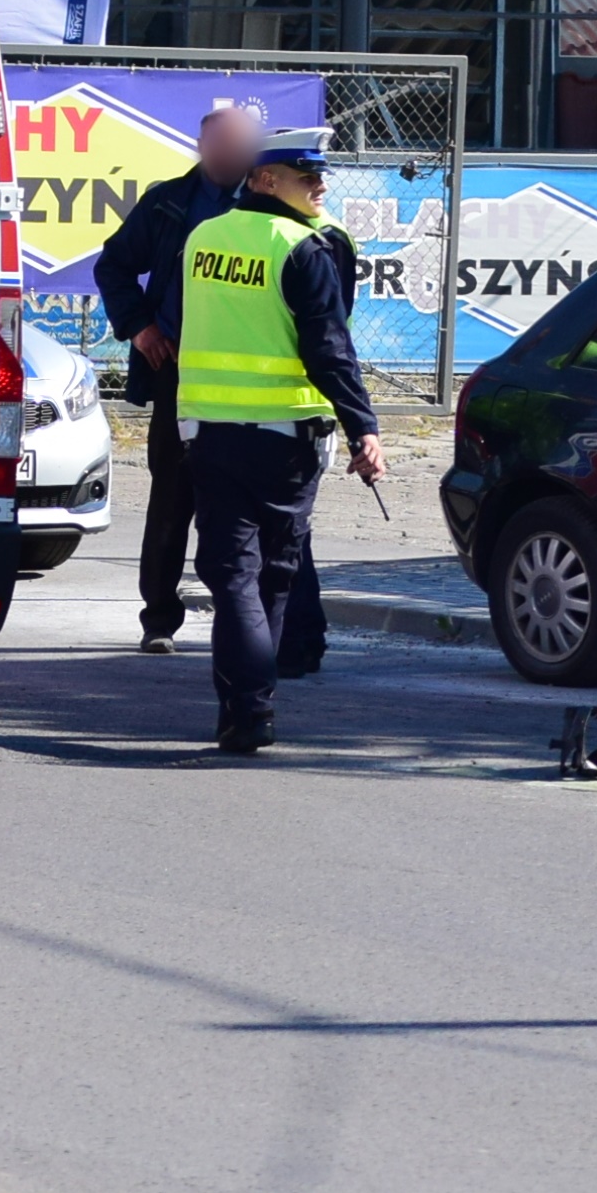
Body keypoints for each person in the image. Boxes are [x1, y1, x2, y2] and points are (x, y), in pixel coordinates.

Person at [161, 143, 383, 754]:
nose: (321, 187)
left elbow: (180, 318)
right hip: (286, 439)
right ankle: (255, 706)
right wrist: (364, 424)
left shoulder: (204, 238)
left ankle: (244, 710)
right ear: (264, 179)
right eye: (307, 177)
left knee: (234, 577)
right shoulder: (301, 248)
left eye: (321, 177)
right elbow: (329, 348)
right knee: (271, 581)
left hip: (209, 432)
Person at [94, 98, 267, 653]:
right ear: (203, 147)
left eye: (243, 147)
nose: (233, 156)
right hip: (179, 376)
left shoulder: (268, 205)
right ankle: (159, 621)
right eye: (224, 146)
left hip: (251, 383)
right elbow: (113, 265)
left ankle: (248, 622)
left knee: (244, 502)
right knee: (172, 499)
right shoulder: (170, 203)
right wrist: (140, 328)